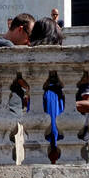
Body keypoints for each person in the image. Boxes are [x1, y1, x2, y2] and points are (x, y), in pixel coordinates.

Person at [30, 18, 64, 160]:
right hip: (52, 97)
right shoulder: (56, 52)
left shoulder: (32, 51)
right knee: (54, 141)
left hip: (40, 96)